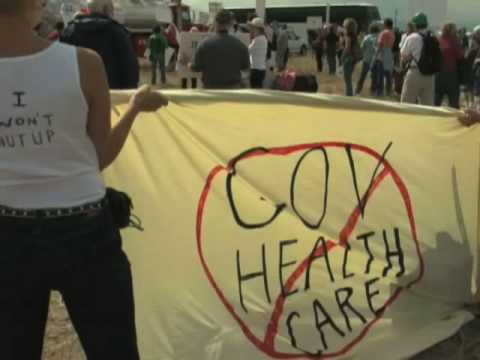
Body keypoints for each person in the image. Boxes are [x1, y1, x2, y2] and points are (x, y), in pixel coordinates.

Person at [0, 0, 168, 359]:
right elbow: (99, 157)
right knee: (113, 350)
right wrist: (136, 107)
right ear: (34, 5)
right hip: (84, 230)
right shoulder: (83, 63)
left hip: (7, 233)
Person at [61, 0, 139, 89]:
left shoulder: (69, 31)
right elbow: (129, 68)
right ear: (106, 10)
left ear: (88, 10)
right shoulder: (117, 32)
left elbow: (61, 65)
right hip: (110, 93)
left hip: (76, 93)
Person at [191, 10, 249, 89]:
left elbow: (196, 68)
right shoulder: (240, 45)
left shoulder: (204, 44)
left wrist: (187, 63)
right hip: (233, 90)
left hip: (210, 90)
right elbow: (245, 67)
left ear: (215, 23)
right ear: (230, 24)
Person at [400, 12, 436, 105]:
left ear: (414, 25)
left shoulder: (412, 37)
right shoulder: (433, 37)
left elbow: (404, 57)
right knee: (427, 107)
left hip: (415, 72)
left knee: (406, 105)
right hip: (430, 75)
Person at [435, 22, 464, 109]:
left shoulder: (438, 40)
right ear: (451, 30)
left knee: (436, 101)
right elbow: (460, 55)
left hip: (438, 73)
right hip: (451, 73)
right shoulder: (454, 41)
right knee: (453, 102)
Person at [356, 23, 380, 95]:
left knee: (362, 76)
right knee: (374, 77)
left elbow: (362, 48)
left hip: (366, 59)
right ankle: (373, 92)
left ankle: (357, 91)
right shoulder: (379, 38)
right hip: (375, 60)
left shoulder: (366, 38)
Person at [375, 18, 395, 96]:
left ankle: (379, 92)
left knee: (380, 74)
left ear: (385, 24)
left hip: (382, 53)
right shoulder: (392, 33)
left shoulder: (383, 33)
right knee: (388, 74)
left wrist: (376, 55)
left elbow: (380, 45)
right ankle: (388, 91)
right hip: (389, 52)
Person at [248, 17, 268, 89]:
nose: (251, 30)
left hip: (255, 69)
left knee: (255, 91)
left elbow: (248, 51)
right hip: (261, 69)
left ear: (257, 29)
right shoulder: (264, 38)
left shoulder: (257, 40)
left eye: (252, 28)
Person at [341, 18, 359, 96]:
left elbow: (347, 48)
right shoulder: (355, 35)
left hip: (348, 58)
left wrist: (342, 56)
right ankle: (351, 93)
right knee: (349, 78)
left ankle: (349, 95)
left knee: (347, 78)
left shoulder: (348, 35)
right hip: (354, 58)